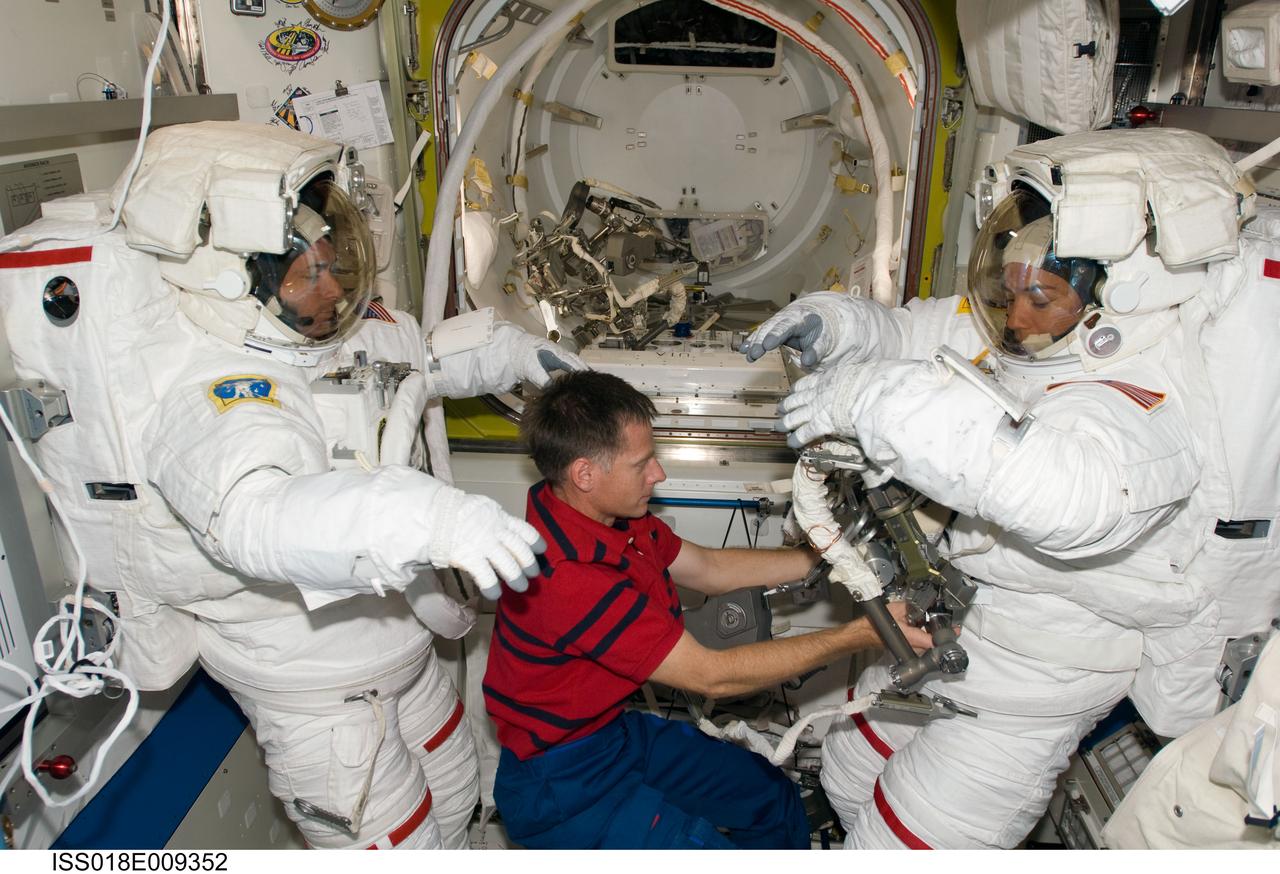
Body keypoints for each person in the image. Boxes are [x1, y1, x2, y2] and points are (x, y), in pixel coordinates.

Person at [0, 121, 585, 849]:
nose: (334, 286)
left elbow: (417, 357)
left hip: (395, 655)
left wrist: (517, 354)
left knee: (462, 797)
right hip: (322, 698)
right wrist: (428, 518)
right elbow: (257, 518)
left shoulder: (318, 335)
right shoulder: (218, 393)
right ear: (236, 284)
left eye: (333, 262)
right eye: (308, 274)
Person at [743, 127, 1279, 848]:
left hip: (1030, 687)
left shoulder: (1141, 398)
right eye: (1010, 292)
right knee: (842, 768)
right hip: (953, 635)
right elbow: (920, 334)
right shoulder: (1037, 341)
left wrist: (870, 404)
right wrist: (837, 328)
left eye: (1043, 298)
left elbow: (1067, 495)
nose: (1016, 319)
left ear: (1115, 299)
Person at [481, 369, 931, 849]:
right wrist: (862, 634)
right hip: (562, 784)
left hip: (612, 735)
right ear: (585, 474)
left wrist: (830, 555)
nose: (658, 475)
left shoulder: (611, 521)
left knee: (770, 798)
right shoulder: (567, 576)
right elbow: (712, 676)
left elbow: (710, 568)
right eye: (642, 463)